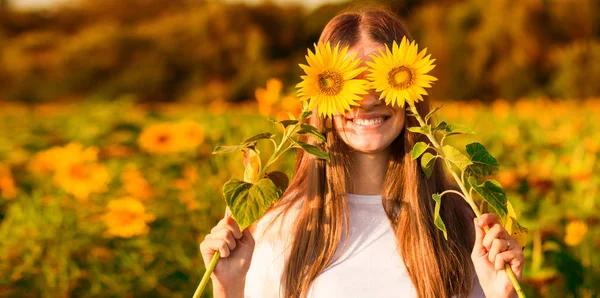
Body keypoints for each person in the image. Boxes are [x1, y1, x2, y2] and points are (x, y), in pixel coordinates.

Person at [200, 6, 524, 298]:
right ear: (322, 94)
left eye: (383, 80)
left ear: (412, 89)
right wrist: (227, 288)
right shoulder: (283, 228)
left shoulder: (461, 222)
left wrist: (501, 295)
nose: (367, 99)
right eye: (349, 83)